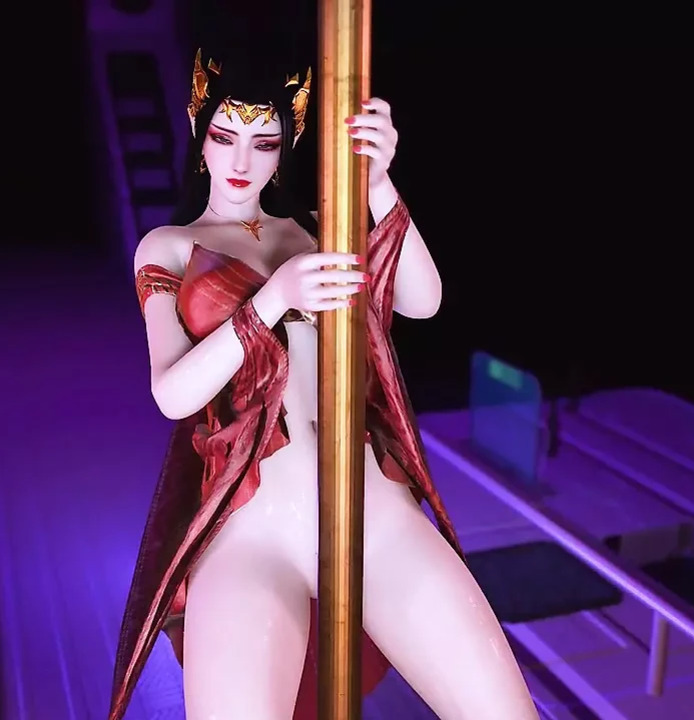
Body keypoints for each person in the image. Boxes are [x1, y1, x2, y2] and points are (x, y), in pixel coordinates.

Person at [111, 46, 539, 720]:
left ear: (288, 145)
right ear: (197, 131)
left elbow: (422, 300)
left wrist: (378, 184)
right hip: (250, 531)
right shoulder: (166, 246)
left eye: (265, 141)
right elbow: (172, 393)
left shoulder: (317, 229)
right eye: (224, 136)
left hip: (372, 512)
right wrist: (271, 300)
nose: (242, 160)